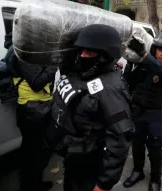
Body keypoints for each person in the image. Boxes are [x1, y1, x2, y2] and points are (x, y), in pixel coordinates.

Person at [47, 24, 134, 191]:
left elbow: (121, 138)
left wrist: (104, 184)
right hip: (75, 159)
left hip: (91, 165)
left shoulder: (111, 89)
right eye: (82, 51)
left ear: (105, 56)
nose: (83, 55)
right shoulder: (83, 74)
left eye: (90, 52)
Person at [123, 34, 162, 191]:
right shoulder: (143, 64)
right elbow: (128, 81)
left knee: (155, 146)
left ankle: (155, 178)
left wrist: (144, 55)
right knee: (137, 143)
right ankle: (137, 171)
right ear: (155, 49)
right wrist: (131, 62)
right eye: (160, 50)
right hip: (137, 110)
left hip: (154, 114)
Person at [4, 33, 57, 191]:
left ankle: (32, 183)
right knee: (34, 151)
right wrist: (53, 66)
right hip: (32, 110)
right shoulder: (22, 53)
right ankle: (30, 185)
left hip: (33, 108)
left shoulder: (24, 51)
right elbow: (37, 83)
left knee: (32, 150)